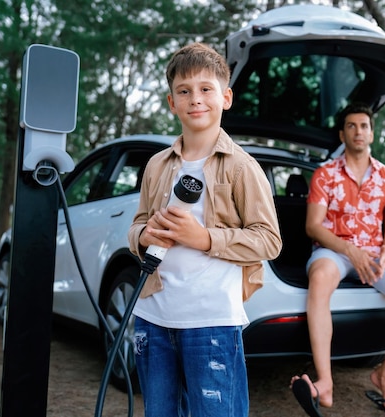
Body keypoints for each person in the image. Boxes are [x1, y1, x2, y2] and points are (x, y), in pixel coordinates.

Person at [128, 42, 282, 417]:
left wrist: (205, 238)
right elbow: (137, 225)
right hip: (153, 316)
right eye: (184, 91)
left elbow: (269, 240)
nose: (195, 99)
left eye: (205, 89)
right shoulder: (156, 166)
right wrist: (144, 237)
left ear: (226, 97)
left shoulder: (242, 168)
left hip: (210, 321)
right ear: (171, 102)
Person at [290, 103, 385, 416]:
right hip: (332, 250)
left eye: (364, 125)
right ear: (343, 134)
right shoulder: (325, 174)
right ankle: (324, 383)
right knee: (320, 278)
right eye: (352, 126)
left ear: (371, 131)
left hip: (374, 253)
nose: (358, 131)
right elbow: (313, 226)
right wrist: (348, 250)